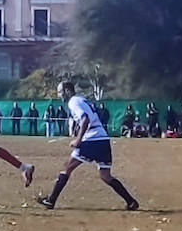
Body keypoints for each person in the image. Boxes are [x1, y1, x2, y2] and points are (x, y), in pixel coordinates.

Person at [37, 82, 139, 211]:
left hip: (92, 139)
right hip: (103, 139)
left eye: (60, 92)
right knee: (105, 176)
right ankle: (131, 202)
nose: (59, 95)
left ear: (68, 91)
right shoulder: (82, 100)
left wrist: (78, 140)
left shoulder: (73, 102)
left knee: (67, 168)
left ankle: (51, 201)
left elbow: (85, 119)